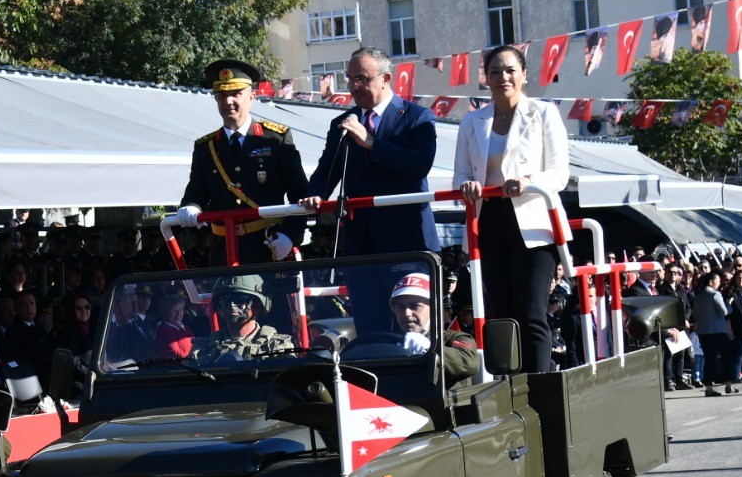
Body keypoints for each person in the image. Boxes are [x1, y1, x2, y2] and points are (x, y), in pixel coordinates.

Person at [453, 43, 572, 374]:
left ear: (524, 75)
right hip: (488, 219)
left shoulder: (544, 112)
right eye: (494, 71)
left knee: (532, 311)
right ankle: (509, 389)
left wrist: (528, 180)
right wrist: (468, 186)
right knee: (501, 314)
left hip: (533, 222)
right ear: (486, 79)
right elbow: (461, 174)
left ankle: (540, 389)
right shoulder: (473, 121)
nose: (502, 76)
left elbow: (560, 174)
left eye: (509, 70)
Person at [305, 47, 440, 254]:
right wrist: (315, 195)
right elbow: (327, 171)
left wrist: (371, 143)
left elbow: (419, 165)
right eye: (349, 79)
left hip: (407, 238)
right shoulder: (341, 124)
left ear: (386, 78)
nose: (354, 86)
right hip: (359, 242)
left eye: (362, 79)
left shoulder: (417, 117)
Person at [180, 59, 308, 264]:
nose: (228, 101)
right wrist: (191, 206)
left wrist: (290, 235)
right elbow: (197, 189)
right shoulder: (206, 147)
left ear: (252, 97)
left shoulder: (275, 139)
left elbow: (300, 194)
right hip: (223, 249)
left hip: (267, 245)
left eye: (236, 94)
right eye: (221, 95)